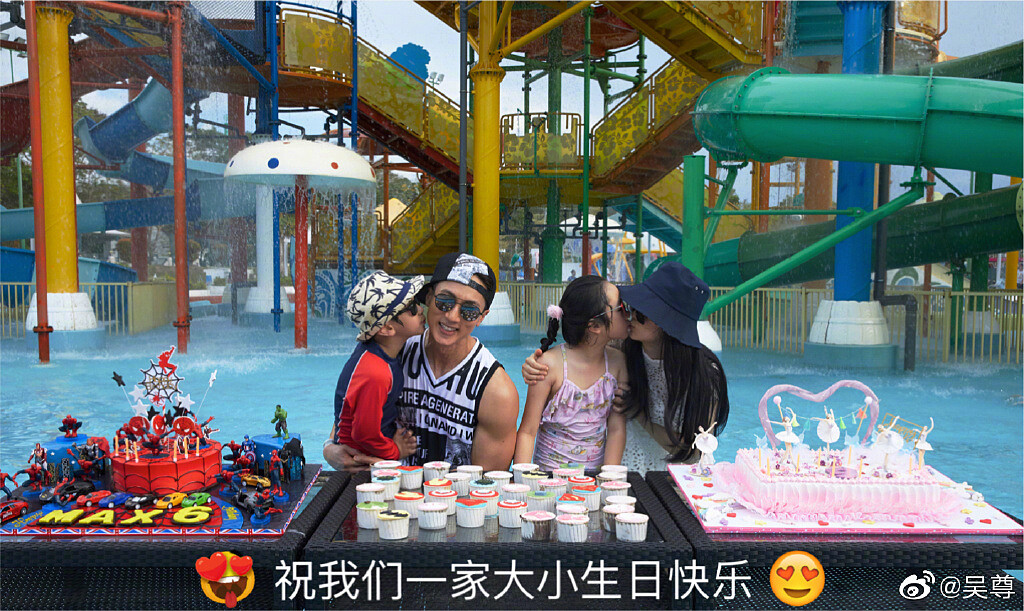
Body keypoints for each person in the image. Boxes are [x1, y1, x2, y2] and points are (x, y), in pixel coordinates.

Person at [523, 262, 729, 471]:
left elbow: (694, 450)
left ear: (665, 323)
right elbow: (581, 349)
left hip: (672, 478)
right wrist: (534, 365)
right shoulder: (622, 351)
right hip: (621, 474)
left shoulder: (705, 375)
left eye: (644, 309)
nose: (630, 312)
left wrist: (640, 414)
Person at [324, 253, 520, 472]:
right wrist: (330, 448)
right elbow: (353, 404)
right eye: (444, 301)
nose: (452, 316)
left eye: (469, 311)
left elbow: (486, 483)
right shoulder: (393, 349)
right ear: (427, 298)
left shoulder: (496, 392)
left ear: (481, 317)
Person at [514, 276, 629, 471]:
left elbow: (616, 429)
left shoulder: (617, 364)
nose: (627, 313)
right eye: (621, 308)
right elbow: (527, 431)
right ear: (594, 326)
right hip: (549, 478)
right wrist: (522, 481)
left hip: (593, 480)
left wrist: (609, 480)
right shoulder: (550, 366)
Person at [329, 271, 424, 463]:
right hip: (360, 460)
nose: (421, 309)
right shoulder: (376, 372)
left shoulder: (381, 353)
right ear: (387, 328)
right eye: (411, 307)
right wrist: (395, 451)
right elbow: (364, 434)